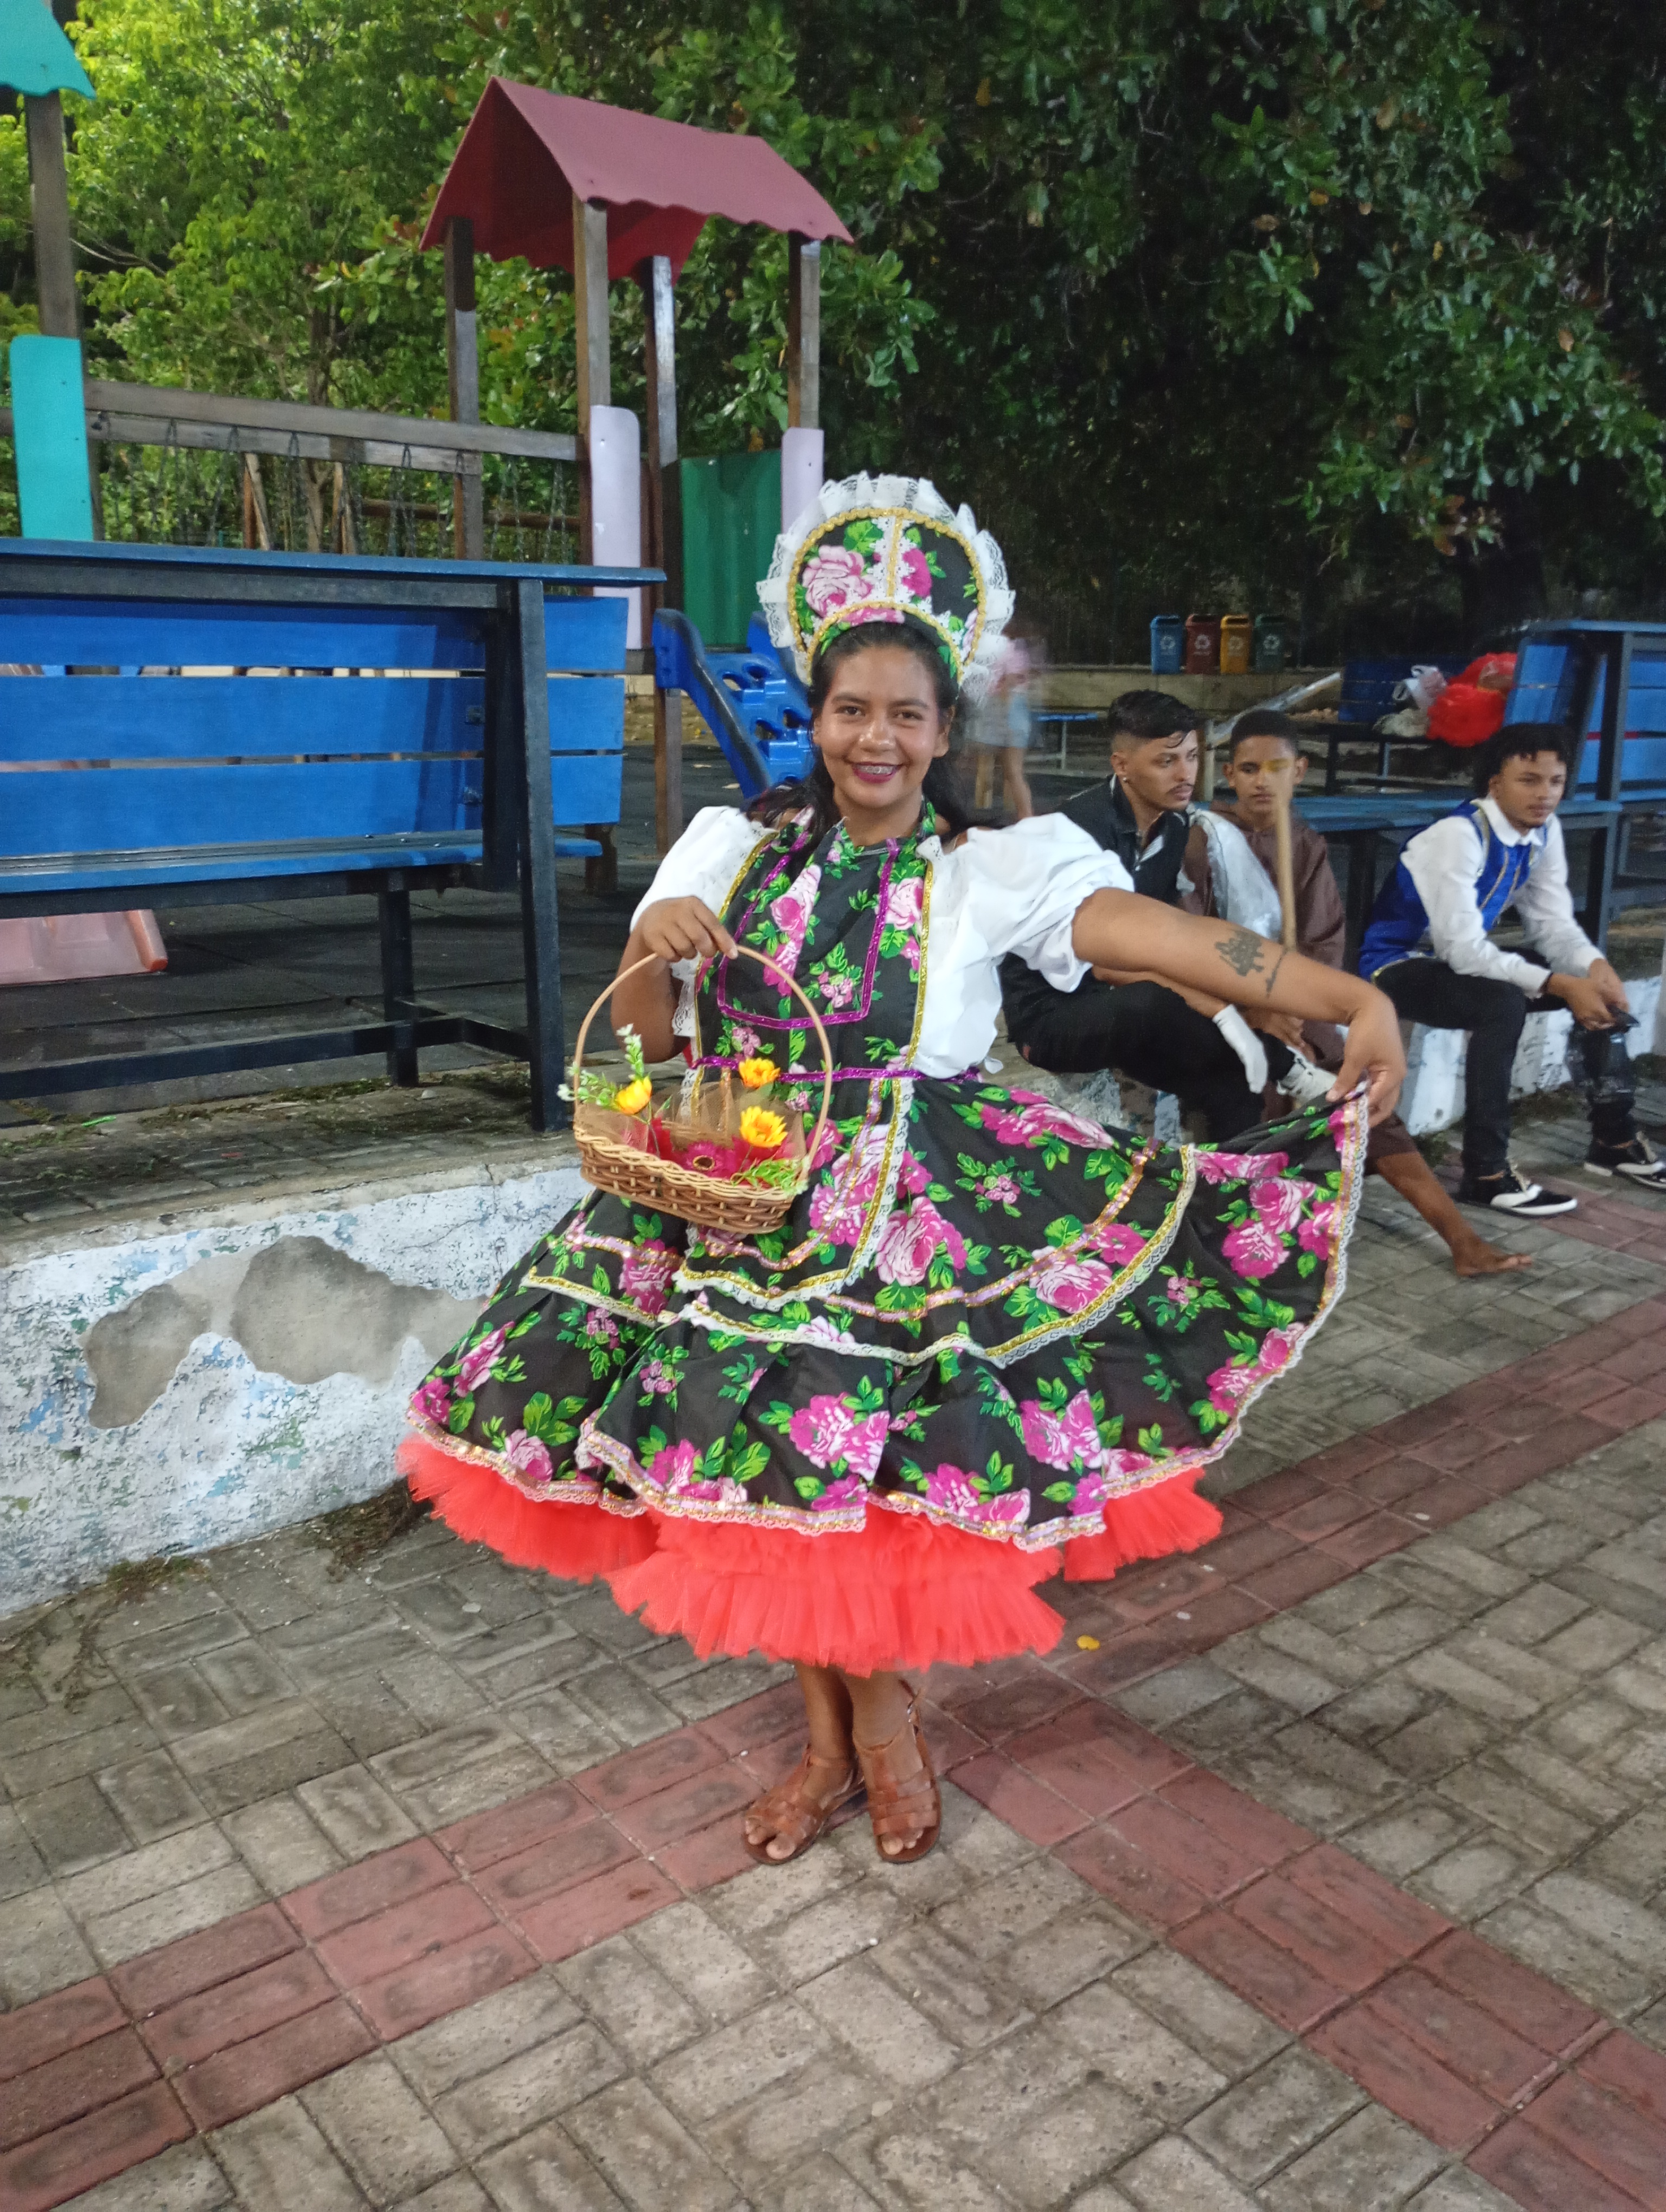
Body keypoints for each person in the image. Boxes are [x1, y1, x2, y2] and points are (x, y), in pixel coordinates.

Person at [401, 474, 1404, 1869]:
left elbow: (1173, 944)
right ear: (814, 719)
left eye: (906, 715)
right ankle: (844, 1744)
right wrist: (651, 946)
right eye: (850, 709)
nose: (874, 737)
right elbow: (646, 1039)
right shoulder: (728, 847)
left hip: (910, 1216)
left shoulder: (991, 867)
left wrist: (1348, 995)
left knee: (844, 1497)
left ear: (944, 731)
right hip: (731, 1201)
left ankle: (868, 1738)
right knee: (751, 1491)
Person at [1218, 710, 1529, 1277]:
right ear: (1229, 774)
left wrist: (1293, 1010)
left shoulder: (1306, 846)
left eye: (1278, 768)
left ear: (1301, 771)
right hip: (1228, 1011)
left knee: (1362, 1099)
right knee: (1256, 1098)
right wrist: (1255, 1008)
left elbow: (1323, 946)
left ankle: (1461, 1240)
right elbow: (1196, 940)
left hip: (1299, 1008)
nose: (1263, 781)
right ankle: (1253, 1245)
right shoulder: (1206, 840)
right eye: (1249, 769)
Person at [1359, 719, 1663, 1216]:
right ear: (1495, 784)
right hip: (1395, 965)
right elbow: (1462, 951)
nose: (1545, 795)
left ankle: (1615, 1140)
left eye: (1556, 782)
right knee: (1501, 1004)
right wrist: (1560, 984)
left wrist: (1592, 966)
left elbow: (1551, 924)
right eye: (1529, 780)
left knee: (1594, 992)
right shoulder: (1459, 835)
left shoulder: (1544, 832)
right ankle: (1486, 1172)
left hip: (1457, 964)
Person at [1001, 690, 1330, 1139]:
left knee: (1234, 1085)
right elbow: (1106, 964)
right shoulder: (1079, 830)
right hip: (1052, 1016)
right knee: (1157, 1000)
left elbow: (1161, 941)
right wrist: (1218, 1008)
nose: (1185, 774)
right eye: (1166, 761)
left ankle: (1228, 1182)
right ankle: (1285, 1065)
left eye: (1192, 757)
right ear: (1121, 765)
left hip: (1128, 1011)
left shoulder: (1174, 827)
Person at [969, 626, 1036, 819]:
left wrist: (1006, 720)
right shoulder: (1017, 650)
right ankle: (1022, 815)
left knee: (1006, 770)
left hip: (1006, 710)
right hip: (1009, 710)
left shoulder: (1004, 649)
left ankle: (1022, 815)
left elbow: (1009, 683)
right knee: (1010, 772)